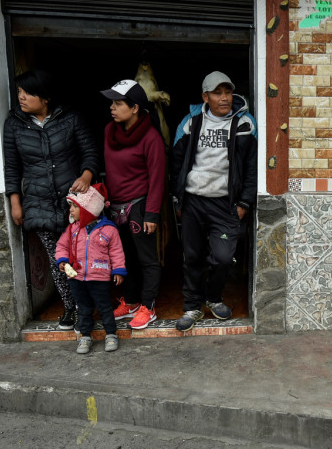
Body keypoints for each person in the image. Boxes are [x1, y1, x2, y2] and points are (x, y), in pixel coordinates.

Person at [3, 70, 99, 331]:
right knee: (59, 261)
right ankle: (71, 306)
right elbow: (12, 166)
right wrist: (15, 201)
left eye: (27, 93)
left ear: (44, 98)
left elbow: (90, 151)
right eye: (19, 93)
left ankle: (86, 306)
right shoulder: (14, 123)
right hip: (38, 201)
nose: (20, 98)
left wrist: (87, 175)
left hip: (73, 202)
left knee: (82, 256)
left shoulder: (70, 118)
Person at [170, 71, 257, 331]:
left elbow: (251, 168)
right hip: (194, 201)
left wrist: (244, 203)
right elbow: (176, 161)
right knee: (193, 256)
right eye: (218, 93)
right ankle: (193, 306)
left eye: (228, 92)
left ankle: (213, 297)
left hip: (225, 204)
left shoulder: (245, 123)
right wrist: (177, 198)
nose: (224, 98)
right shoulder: (190, 122)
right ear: (205, 97)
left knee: (222, 257)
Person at [100, 79, 167, 330]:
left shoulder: (151, 138)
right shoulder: (109, 132)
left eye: (118, 104)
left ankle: (148, 307)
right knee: (123, 258)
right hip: (114, 208)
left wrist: (152, 214)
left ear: (135, 107)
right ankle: (129, 302)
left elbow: (158, 178)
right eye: (112, 103)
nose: (112, 108)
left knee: (147, 260)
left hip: (139, 207)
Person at [55, 184, 126, 354]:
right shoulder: (72, 229)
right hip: (77, 278)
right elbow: (61, 246)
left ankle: (111, 334)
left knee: (104, 307)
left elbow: (116, 252)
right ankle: (85, 336)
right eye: (70, 206)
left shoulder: (109, 229)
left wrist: (118, 270)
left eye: (74, 206)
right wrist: (62, 261)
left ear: (88, 209)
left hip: (99, 277)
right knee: (84, 307)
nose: (70, 210)